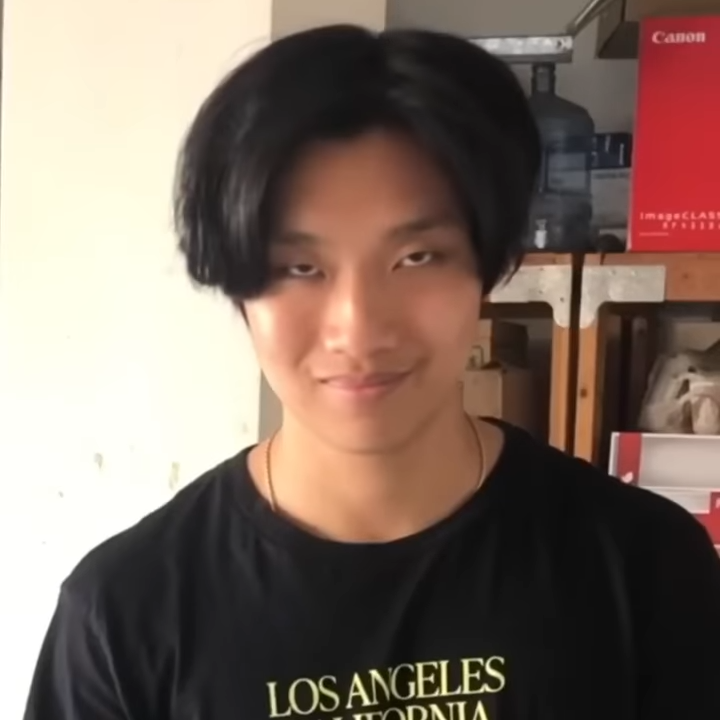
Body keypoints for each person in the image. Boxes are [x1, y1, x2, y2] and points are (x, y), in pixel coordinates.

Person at [23, 24, 720, 720]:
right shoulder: (123, 617)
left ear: (487, 266)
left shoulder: (646, 570)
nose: (357, 328)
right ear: (237, 289)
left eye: (416, 258)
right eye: (300, 267)